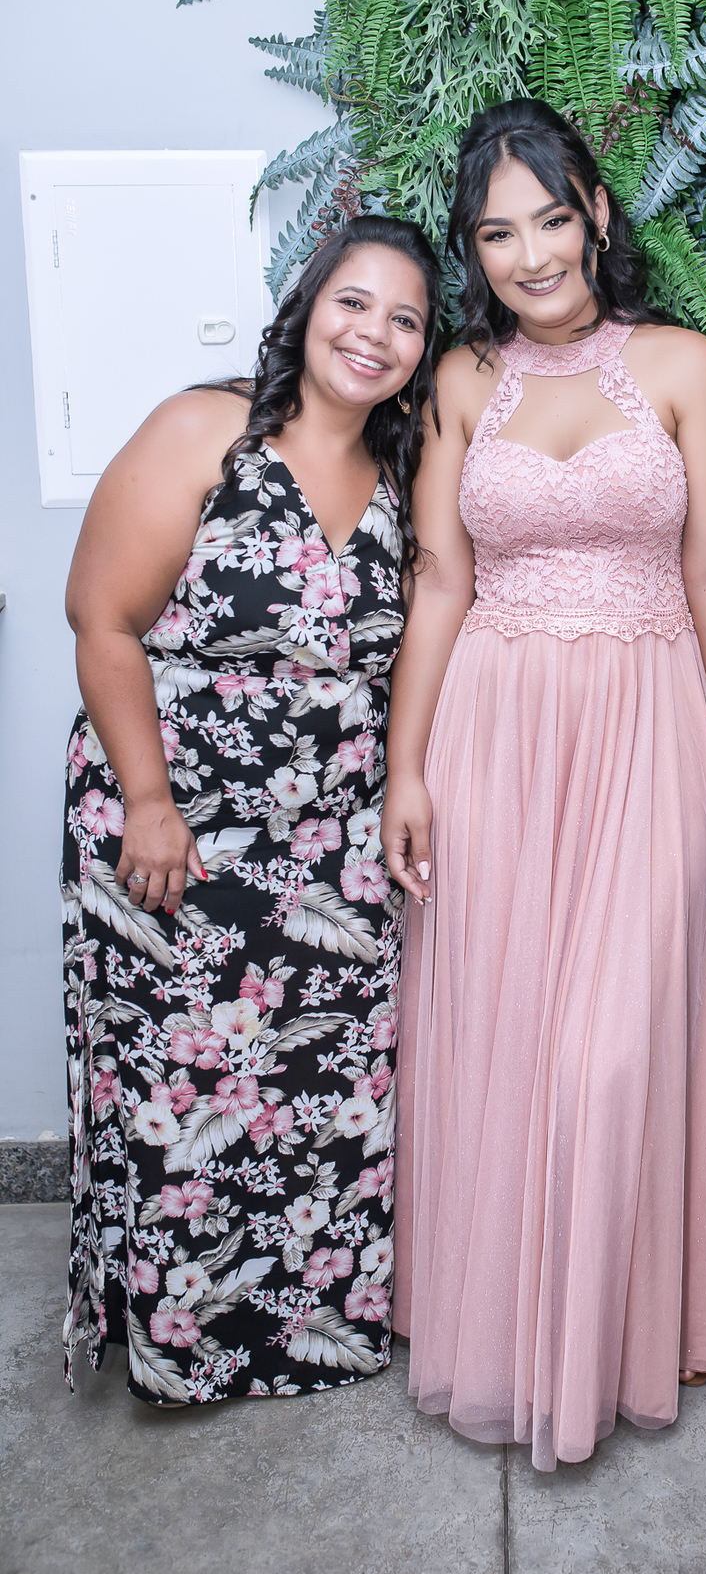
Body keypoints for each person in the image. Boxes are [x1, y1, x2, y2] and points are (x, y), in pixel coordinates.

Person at [383, 98, 706, 1471]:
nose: (533, 255)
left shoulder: (681, 364)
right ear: (472, 251)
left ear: (597, 212)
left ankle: (614, 1337)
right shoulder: (459, 381)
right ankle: (503, 1331)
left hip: (648, 722)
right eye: (499, 234)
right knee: (504, 1035)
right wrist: (405, 768)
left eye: (552, 218)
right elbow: (441, 581)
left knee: (613, 1051)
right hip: (494, 729)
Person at [61, 216, 440, 1405]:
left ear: (424, 353)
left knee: (320, 1098)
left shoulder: (405, 477)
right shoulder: (206, 429)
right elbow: (102, 619)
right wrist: (148, 801)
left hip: (329, 851)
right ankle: (185, 1350)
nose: (373, 334)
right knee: (186, 1100)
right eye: (353, 303)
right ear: (306, 306)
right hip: (173, 826)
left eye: (406, 320)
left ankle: (310, 1338)